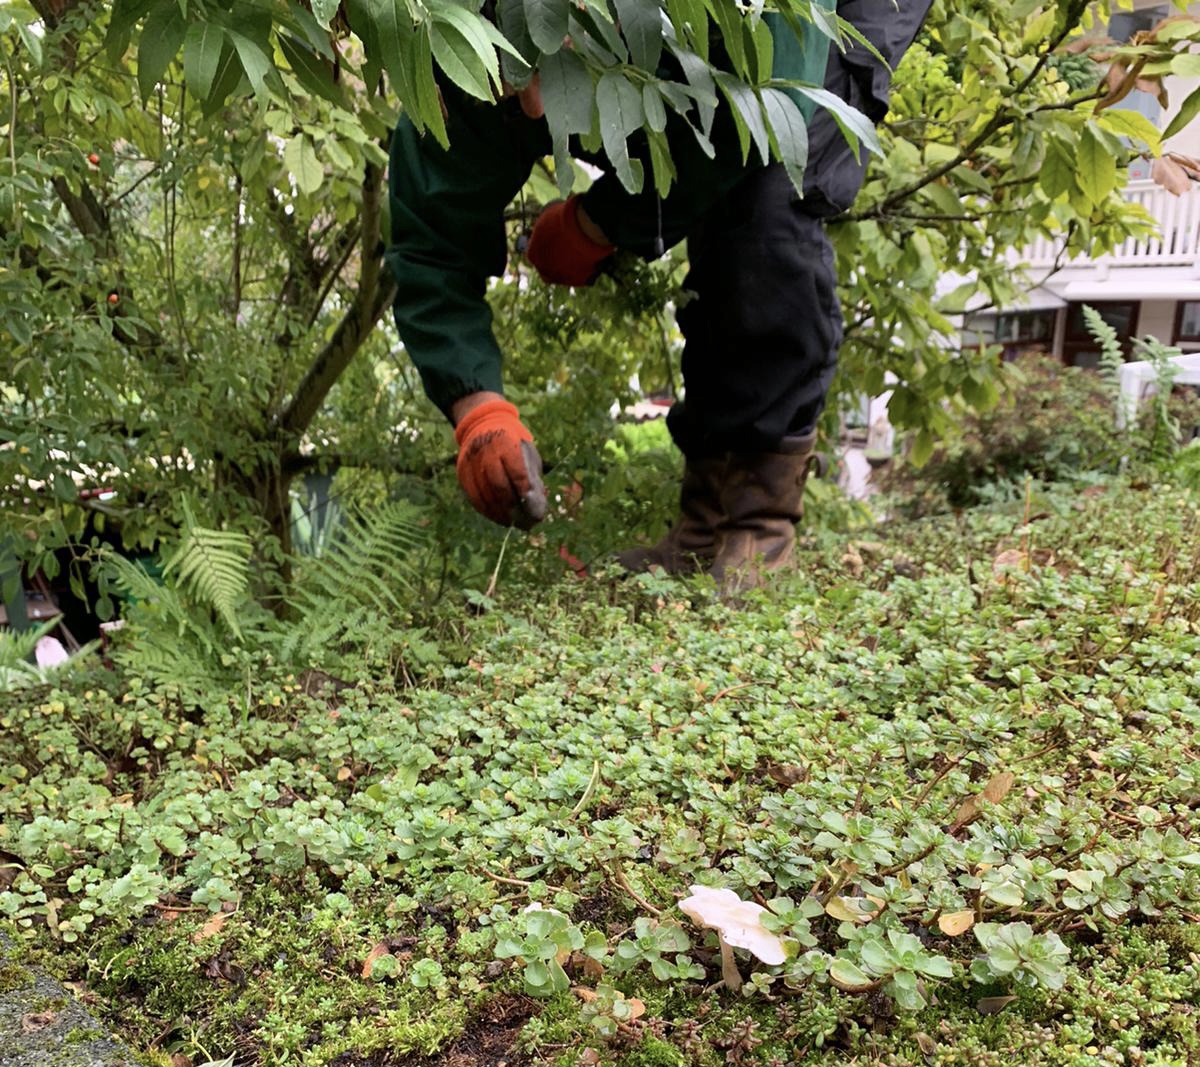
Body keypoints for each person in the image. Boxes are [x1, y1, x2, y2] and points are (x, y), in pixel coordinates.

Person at [385, 1, 931, 590]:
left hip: (809, 21)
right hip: (684, 53)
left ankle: (759, 523)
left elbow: (760, 124)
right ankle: (703, 528)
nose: (538, 105)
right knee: (727, 199)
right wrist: (477, 411)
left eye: (565, 58)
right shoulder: (458, 62)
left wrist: (597, 224)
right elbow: (431, 242)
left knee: (770, 200)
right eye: (517, 75)